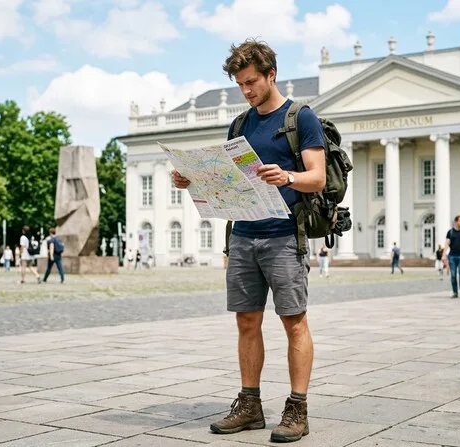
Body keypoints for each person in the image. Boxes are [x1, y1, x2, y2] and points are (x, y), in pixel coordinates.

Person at [171, 39, 326, 443]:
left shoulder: (299, 118)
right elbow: (227, 179)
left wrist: (288, 176)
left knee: (293, 321)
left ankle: (297, 409)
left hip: (282, 238)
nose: (246, 90)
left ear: (271, 75)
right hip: (242, 235)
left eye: (251, 82)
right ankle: (250, 405)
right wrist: (192, 179)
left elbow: (318, 177)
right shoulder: (239, 125)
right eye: (240, 83)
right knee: (246, 321)